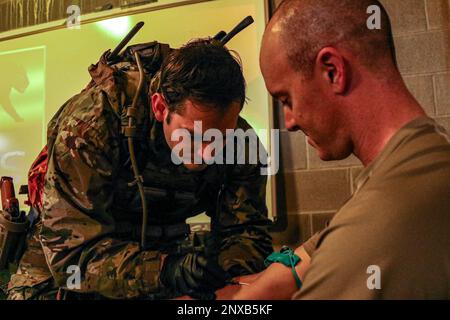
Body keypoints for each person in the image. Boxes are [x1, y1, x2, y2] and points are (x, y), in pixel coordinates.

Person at [6, 39, 273, 300]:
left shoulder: (241, 141)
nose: (208, 153)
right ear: (159, 107)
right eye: (193, 136)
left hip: (162, 267)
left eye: (219, 138)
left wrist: (216, 271)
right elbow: (71, 258)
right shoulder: (91, 125)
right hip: (64, 275)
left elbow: (248, 234)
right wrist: (169, 271)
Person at [219, 0, 449, 300]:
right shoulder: (427, 155)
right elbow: (325, 245)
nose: (288, 123)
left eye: (286, 99)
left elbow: (358, 238)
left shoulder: (380, 221)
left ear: (332, 70)